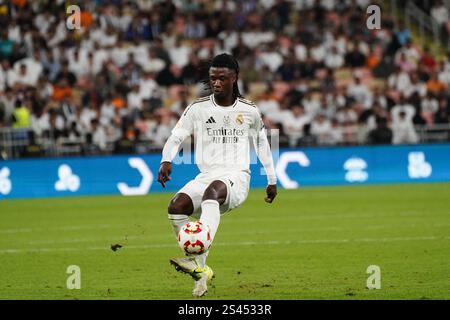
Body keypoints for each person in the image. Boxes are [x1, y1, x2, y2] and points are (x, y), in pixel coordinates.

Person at [157, 53, 277, 297]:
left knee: (214, 190)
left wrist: (271, 180)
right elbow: (177, 135)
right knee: (176, 207)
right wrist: (166, 160)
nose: (217, 83)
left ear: (235, 78)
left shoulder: (249, 111)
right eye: (213, 78)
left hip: (236, 178)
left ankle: (195, 254)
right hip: (207, 176)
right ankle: (201, 270)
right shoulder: (197, 108)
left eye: (223, 78)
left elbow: (263, 145)